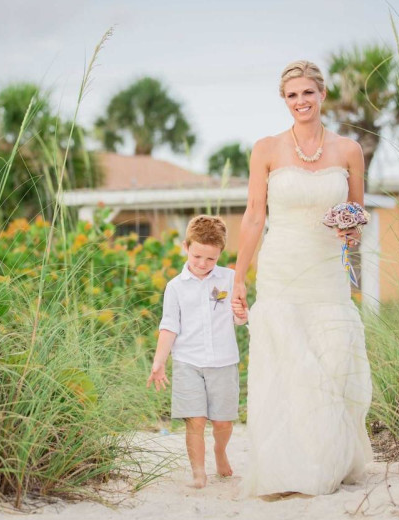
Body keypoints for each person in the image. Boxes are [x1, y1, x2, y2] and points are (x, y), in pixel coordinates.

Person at [231, 60, 373, 497]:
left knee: (332, 362)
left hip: (328, 270)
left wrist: (351, 229)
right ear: (284, 100)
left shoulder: (348, 150)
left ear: (322, 95)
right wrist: (239, 278)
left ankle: (328, 459)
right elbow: (255, 216)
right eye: (292, 95)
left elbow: (357, 213)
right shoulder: (267, 149)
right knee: (286, 363)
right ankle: (285, 468)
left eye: (307, 93)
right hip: (281, 268)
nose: (300, 102)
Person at [147, 215, 248, 489]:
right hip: (187, 362)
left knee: (223, 422)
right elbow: (169, 326)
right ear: (186, 247)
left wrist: (241, 313)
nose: (203, 264)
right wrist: (159, 362)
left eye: (210, 259)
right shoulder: (175, 287)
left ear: (220, 255)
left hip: (224, 362)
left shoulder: (230, 279)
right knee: (195, 420)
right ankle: (199, 472)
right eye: (197, 256)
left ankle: (220, 450)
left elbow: (240, 318)